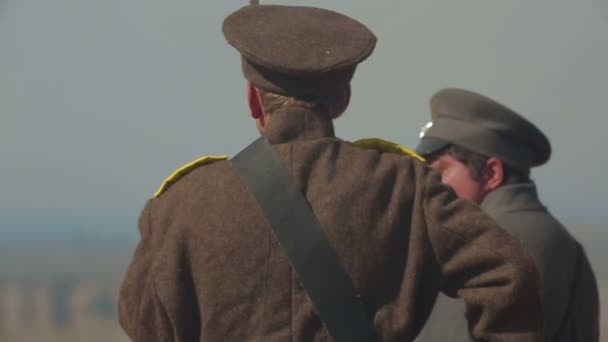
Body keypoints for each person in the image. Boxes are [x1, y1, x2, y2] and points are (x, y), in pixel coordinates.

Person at [118, 6, 543, 341]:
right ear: (342, 99)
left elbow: (145, 324)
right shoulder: (405, 188)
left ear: (253, 100)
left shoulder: (182, 205)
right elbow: (509, 274)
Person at [414, 88, 599, 342]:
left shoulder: (497, 243)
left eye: (440, 172)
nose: (429, 185)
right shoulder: (544, 238)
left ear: (491, 174)